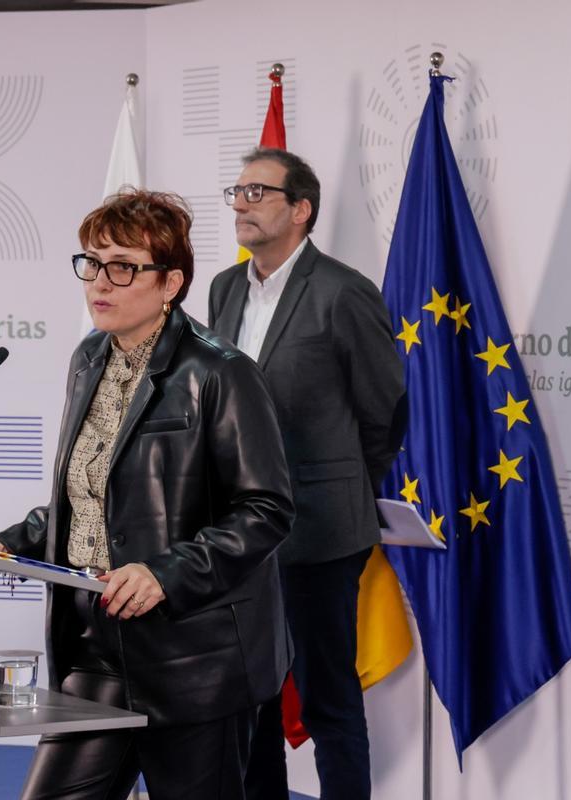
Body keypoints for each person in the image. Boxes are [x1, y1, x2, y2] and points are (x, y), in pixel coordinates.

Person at [0, 189, 294, 800]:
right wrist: (6, 545)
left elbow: (265, 510)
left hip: (195, 658)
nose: (100, 281)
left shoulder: (220, 372)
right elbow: (91, 498)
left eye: (122, 267)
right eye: (92, 263)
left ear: (171, 282)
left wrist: (165, 573)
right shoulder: (89, 358)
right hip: (97, 647)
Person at [209, 148, 405, 800]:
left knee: (328, 699)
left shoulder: (343, 292)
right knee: (252, 696)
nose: (241, 204)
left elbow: (384, 411)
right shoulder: (224, 288)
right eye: (238, 191)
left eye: (258, 192)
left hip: (321, 532)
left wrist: (338, 484)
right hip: (240, 535)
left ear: (301, 209)